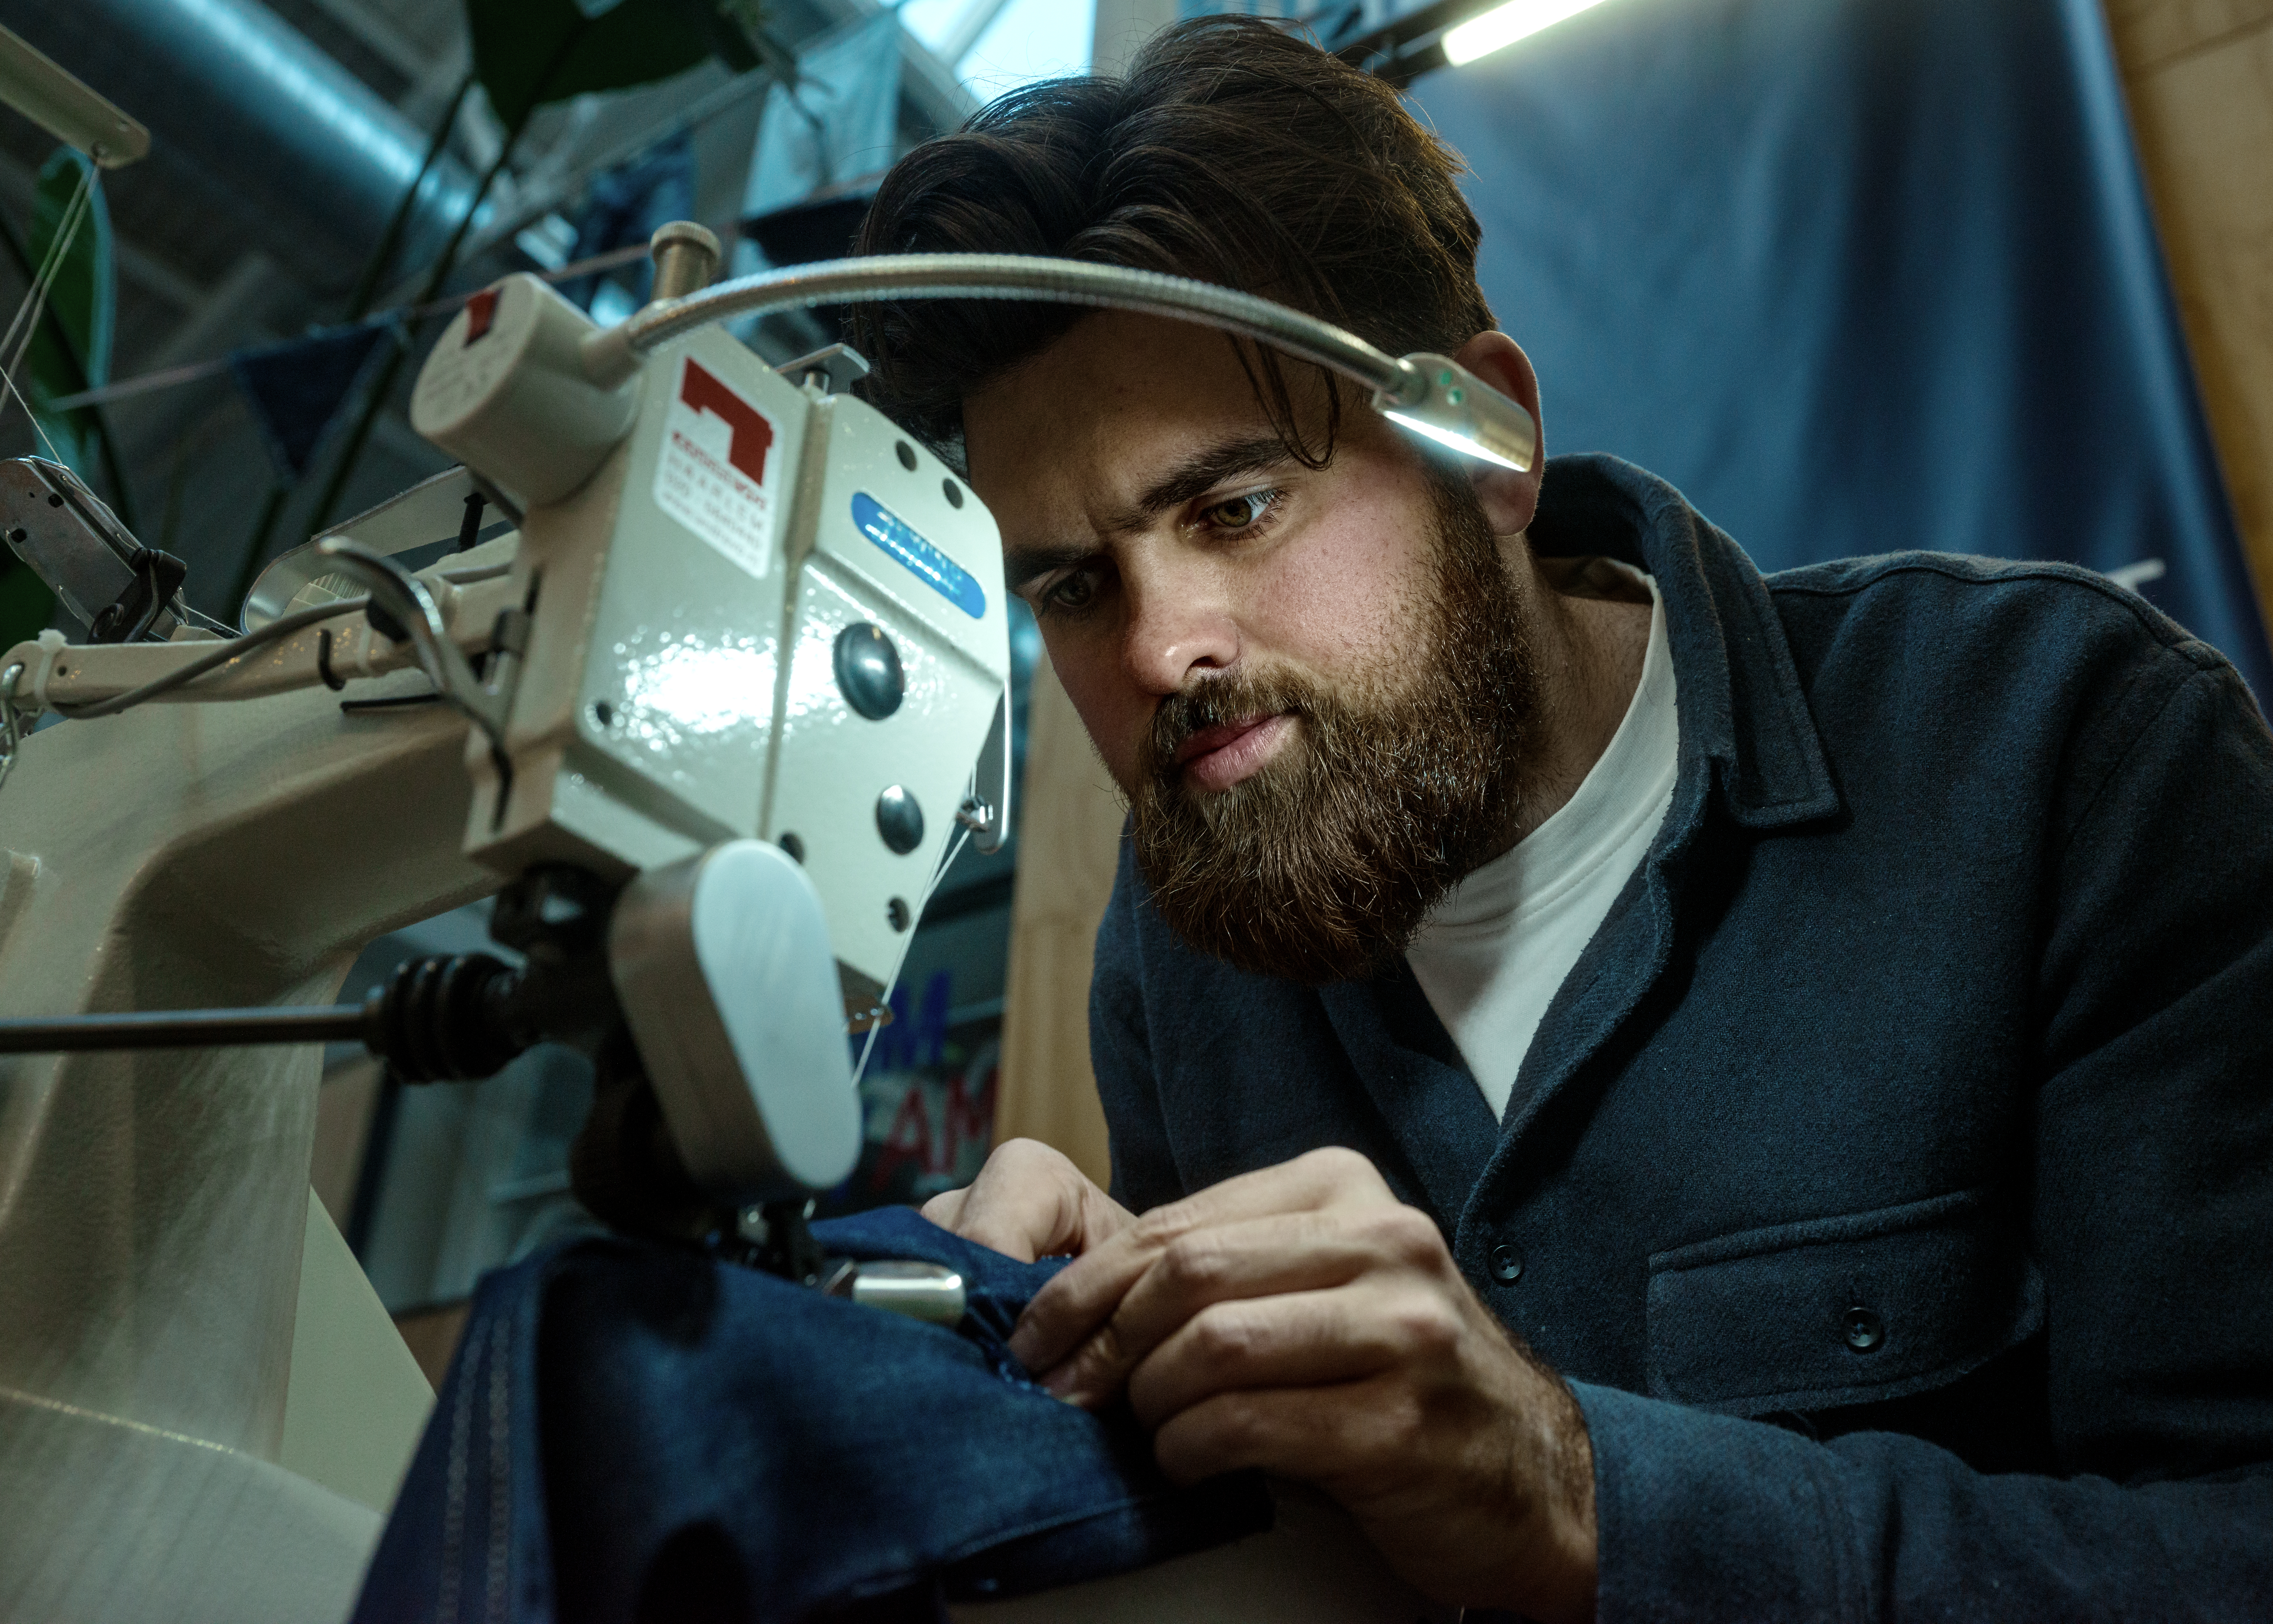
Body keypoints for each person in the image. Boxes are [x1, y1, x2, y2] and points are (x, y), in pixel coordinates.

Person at [850, 16, 2273, 1621]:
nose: (1159, 646)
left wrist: (1568, 1486)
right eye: (1073, 583)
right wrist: (1116, 1381)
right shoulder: (1177, 935)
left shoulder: (2068, 745)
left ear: (1491, 440)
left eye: (1233, 507)